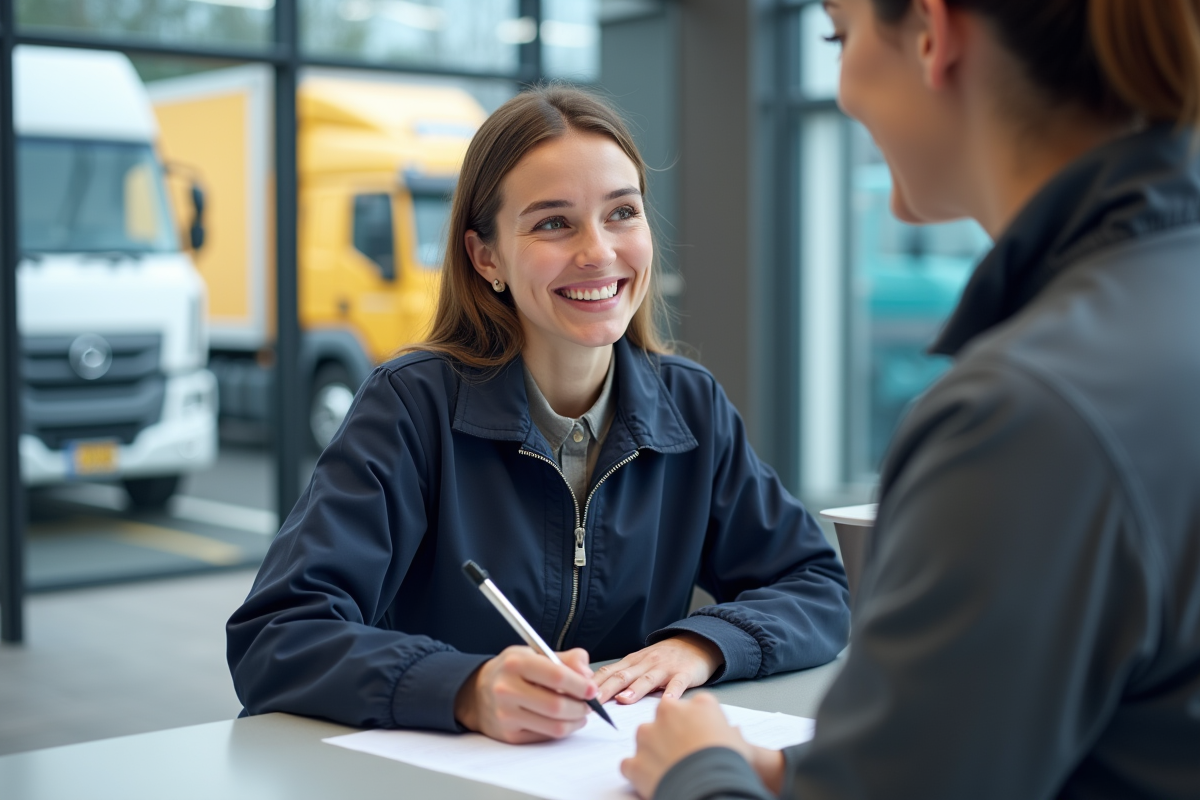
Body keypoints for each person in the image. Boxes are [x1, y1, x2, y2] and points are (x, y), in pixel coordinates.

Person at [622, 0, 1200, 797]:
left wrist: (700, 772)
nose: (844, 85)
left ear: (933, 33)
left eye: (840, 36)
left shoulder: (1027, 415)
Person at [226, 86, 851, 744]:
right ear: (485, 255)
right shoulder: (411, 406)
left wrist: (703, 645)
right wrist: (464, 689)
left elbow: (816, 584)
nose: (600, 252)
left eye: (622, 213)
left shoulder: (690, 406)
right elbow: (279, 635)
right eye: (554, 223)